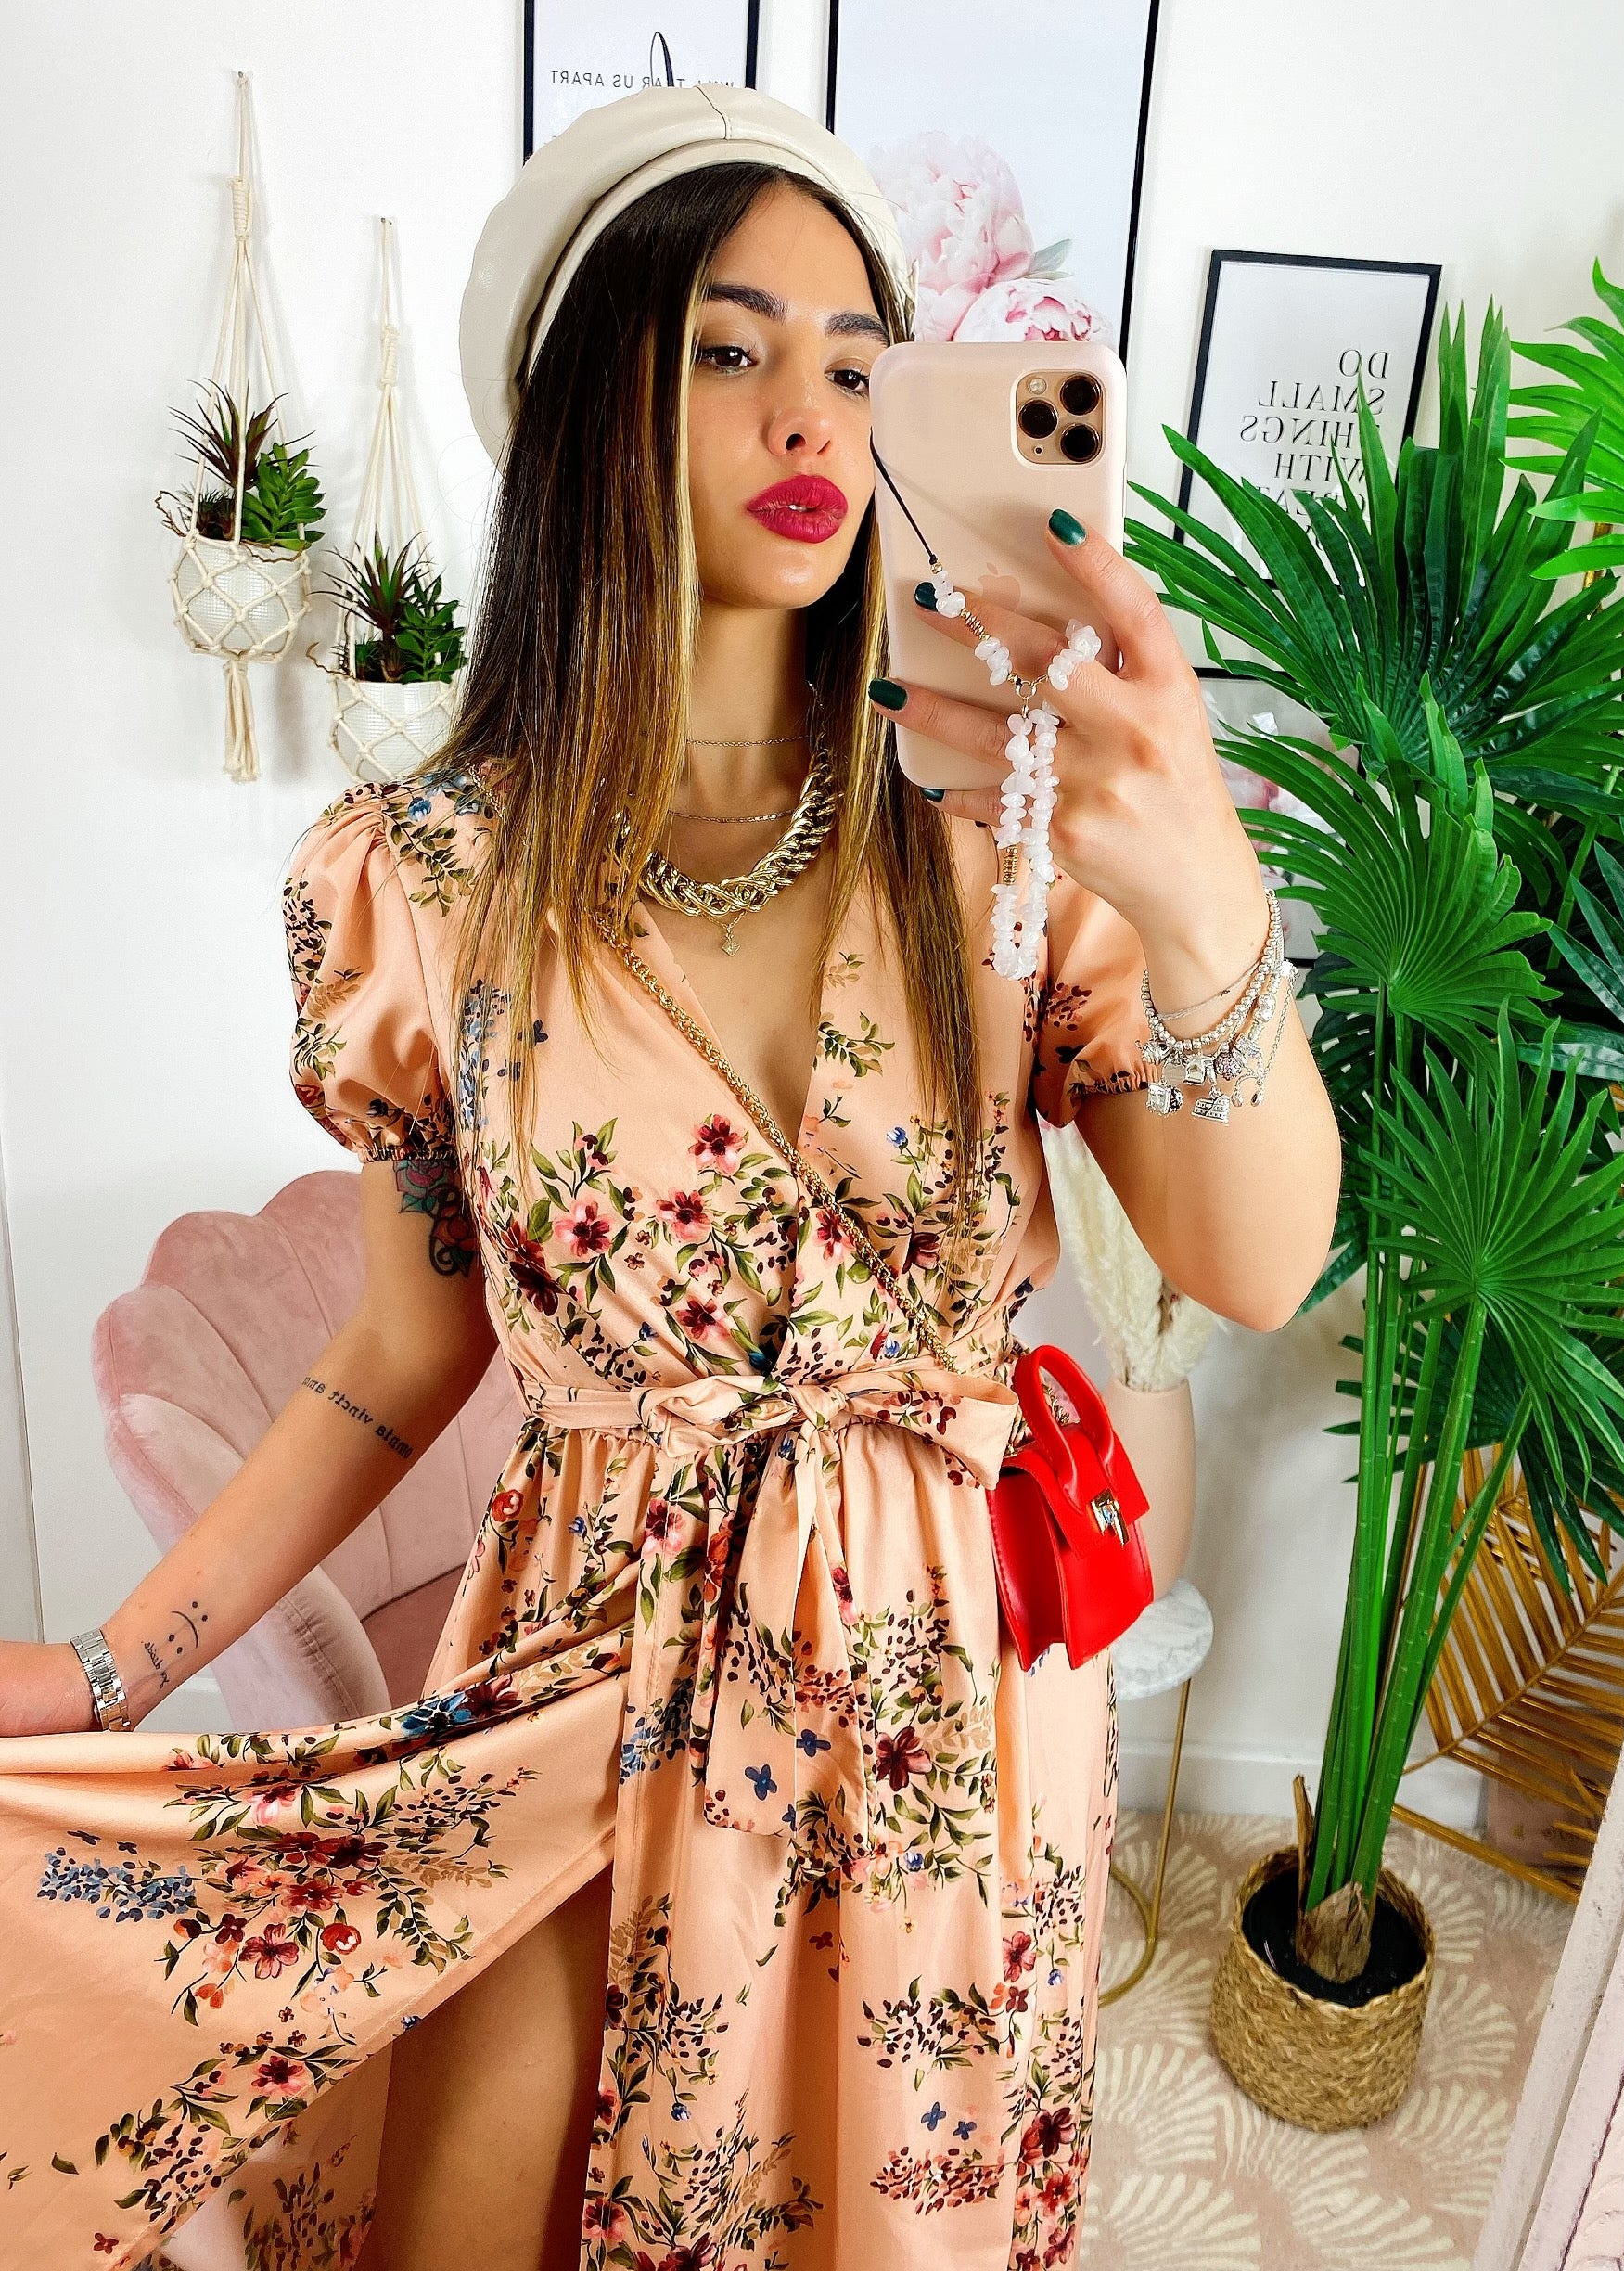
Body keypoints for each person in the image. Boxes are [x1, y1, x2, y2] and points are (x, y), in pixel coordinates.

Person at [0, 83, 1338, 2271]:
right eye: (729, 348)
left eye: (857, 363)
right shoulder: (421, 884)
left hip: (940, 1709)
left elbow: (1258, 1263)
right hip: (585, 1686)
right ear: (583, 410)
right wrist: (113, 1668)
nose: (810, 411)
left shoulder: (998, 838)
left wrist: (1200, 900)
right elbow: (394, 1361)